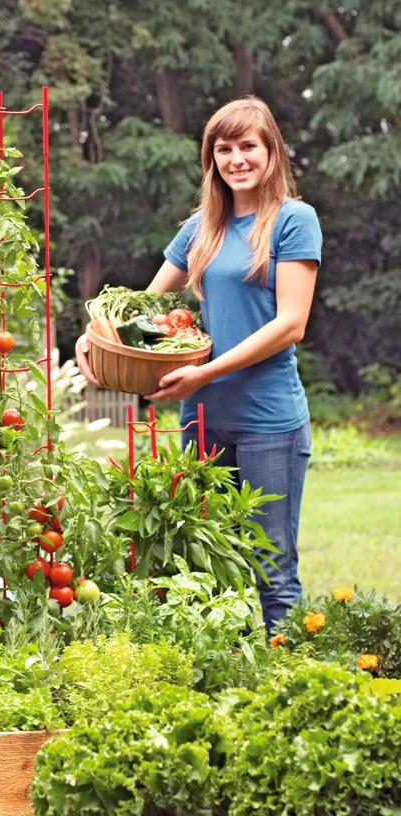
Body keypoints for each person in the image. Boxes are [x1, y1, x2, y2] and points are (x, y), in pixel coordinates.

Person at [75, 96, 322, 632]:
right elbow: (140, 308)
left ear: (271, 151)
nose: (237, 159)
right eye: (224, 148)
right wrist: (94, 336)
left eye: (247, 146)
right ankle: (225, 687)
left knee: (271, 566)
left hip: (268, 419)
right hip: (203, 419)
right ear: (211, 158)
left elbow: (290, 324)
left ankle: (292, 686)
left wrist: (207, 371)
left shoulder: (293, 221)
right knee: (211, 564)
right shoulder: (201, 227)